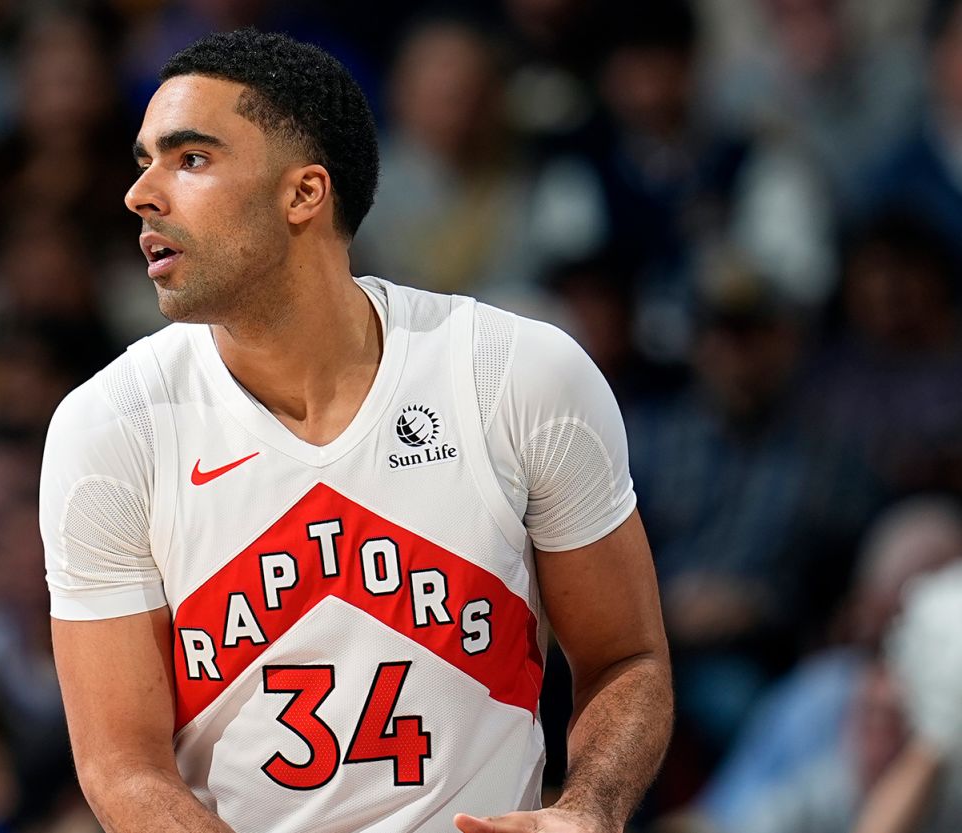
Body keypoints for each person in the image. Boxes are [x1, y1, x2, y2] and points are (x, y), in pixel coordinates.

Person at [39, 28, 672, 833]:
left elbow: (628, 659)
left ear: (305, 194)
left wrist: (588, 810)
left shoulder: (515, 375)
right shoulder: (109, 426)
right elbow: (121, 765)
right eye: (143, 162)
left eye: (189, 159)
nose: (141, 194)